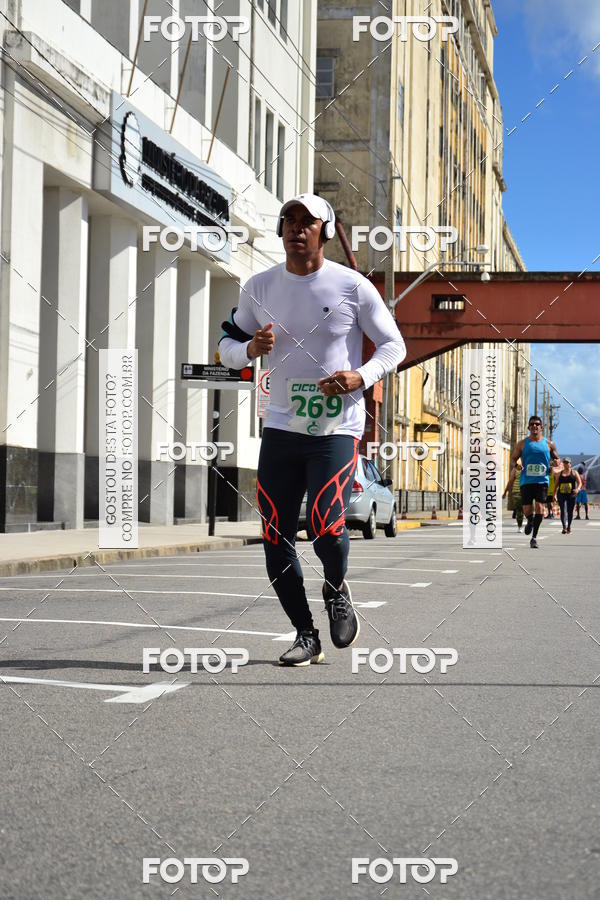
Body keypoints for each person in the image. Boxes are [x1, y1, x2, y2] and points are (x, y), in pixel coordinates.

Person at [218, 193, 406, 665]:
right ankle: (306, 634)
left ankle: (337, 588)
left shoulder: (353, 286)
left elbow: (393, 345)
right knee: (276, 533)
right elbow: (226, 345)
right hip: (281, 424)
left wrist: (360, 376)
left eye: (308, 221)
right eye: (289, 220)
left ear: (325, 231)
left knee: (325, 527)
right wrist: (249, 350)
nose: (296, 228)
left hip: (336, 426)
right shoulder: (258, 288)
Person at [509, 415, 559, 549]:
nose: (534, 426)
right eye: (532, 424)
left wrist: (555, 463)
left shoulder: (549, 444)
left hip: (542, 481)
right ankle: (530, 521)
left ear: (542, 427)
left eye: (537, 424)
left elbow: (557, 459)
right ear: (528, 427)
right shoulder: (522, 444)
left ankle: (534, 538)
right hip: (526, 481)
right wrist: (516, 466)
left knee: (540, 508)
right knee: (526, 509)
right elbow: (513, 459)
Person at [553, 458, 582, 534]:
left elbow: (580, 483)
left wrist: (578, 489)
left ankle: (569, 526)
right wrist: (554, 495)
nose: (566, 464)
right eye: (565, 463)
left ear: (570, 464)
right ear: (563, 464)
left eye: (567, 463)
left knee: (570, 511)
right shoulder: (559, 473)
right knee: (562, 510)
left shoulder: (574, 472)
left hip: (571, 494)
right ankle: (564, 527)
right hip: (561, 494)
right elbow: (556, 485)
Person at [503, 461, 524, 532]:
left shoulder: (528, 468)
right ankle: (520, 525)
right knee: (520, 510)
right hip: (518, 491)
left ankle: (523, 525)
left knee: (522, 510)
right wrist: (505, 492)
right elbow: (511, 481)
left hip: (526, 491)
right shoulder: (515, 470)